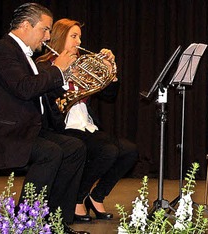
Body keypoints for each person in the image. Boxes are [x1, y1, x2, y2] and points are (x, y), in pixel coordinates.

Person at [0, 3, 89, 234]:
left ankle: (56, 221)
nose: (48, 37)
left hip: (26, 128)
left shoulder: (24, 54)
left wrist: (67, 77)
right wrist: (57, 70)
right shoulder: (2, 50)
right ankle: (25, 222)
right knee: (50, 152)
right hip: (4, 133)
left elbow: (38, 92)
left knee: (75, 147)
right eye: (45, 29)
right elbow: (24, 89)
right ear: (26, 25)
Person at [35, 18, 138, 223]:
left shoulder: (81, 61)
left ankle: (96, 196)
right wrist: (62, 69)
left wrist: (109, 70)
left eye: (79, 37)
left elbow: (109, 96)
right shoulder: (44, 65)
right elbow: (48, 98)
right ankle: (76, 197)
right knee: (107, 151)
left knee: (129, 151)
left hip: (85, 124)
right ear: (59, 37)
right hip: (62, 126)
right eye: (73, 37)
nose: (78, 42)